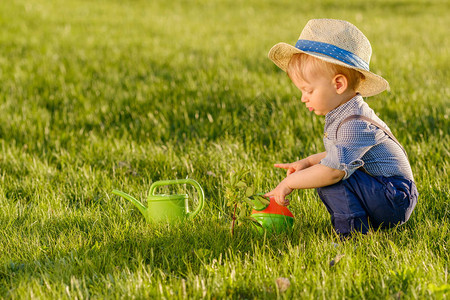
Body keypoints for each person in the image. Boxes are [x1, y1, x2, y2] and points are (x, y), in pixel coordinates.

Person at [264, 19, 418, 237]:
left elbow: (333, 170)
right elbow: (341, 154)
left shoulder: (355, 122)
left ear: (338, 84)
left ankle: (352, 234)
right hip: (386, 192)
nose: (302, 98)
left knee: (330, 176)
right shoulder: (344, 112)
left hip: (394, 198)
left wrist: (289, 183)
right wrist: (308, 162)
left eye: (308, 90)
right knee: (327, 170)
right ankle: (362, 225)